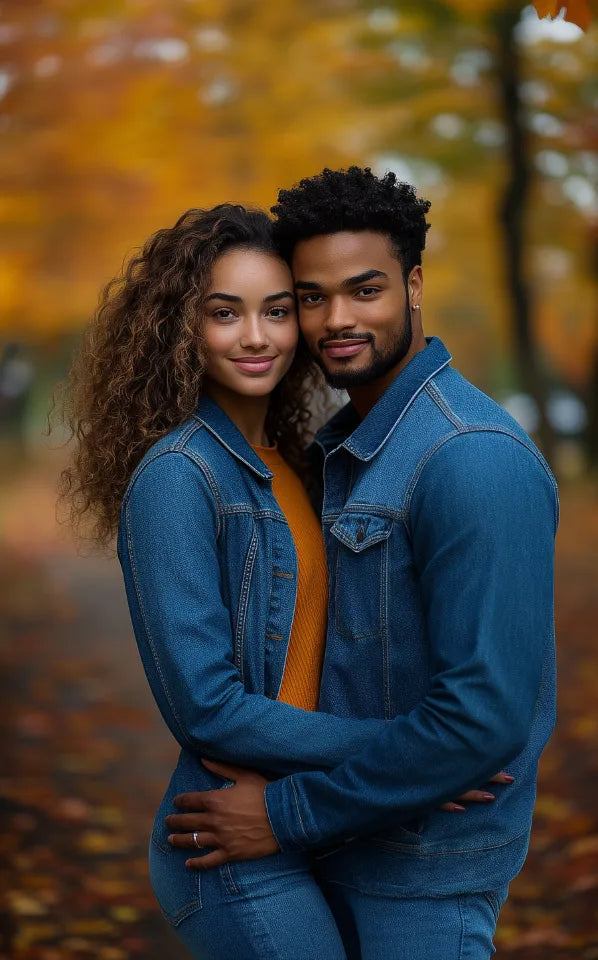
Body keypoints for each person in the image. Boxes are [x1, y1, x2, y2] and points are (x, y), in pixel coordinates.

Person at [58, 203, 502, 960]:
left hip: (309, 813)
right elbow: (208, 709)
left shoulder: (299, 463)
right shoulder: (178, 477)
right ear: (180, 327)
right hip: (226, 840)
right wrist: (404, 751)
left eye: (277, 310)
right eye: (224, 313)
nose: (257, 337)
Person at [166, 168, 558, 960]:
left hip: (422, 872)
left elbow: (481, 719)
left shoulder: (470, 458)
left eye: (365, 289)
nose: (335, 319)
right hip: (349, 848)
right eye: (311, 297)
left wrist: (285, 815)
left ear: (414, 286)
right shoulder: (349, 450)